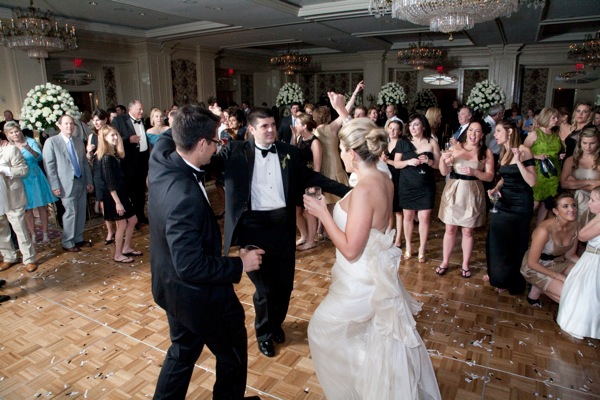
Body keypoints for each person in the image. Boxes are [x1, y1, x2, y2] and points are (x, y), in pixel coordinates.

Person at [303, 116, 441, 400]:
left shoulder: (365, 190)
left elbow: (351, 249)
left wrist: (323, 214)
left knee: (322, 329)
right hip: (373, 273)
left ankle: (371, 387)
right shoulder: (383, 179)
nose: (341, 156)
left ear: (352, 153)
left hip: (360, 280)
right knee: (368, 337)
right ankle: (380, 384)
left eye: (342, 150)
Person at [211, 105, 350, 358]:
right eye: (264, 126)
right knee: (265, 290)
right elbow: (204, 164)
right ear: (251, 129)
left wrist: (349, 191)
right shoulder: (235, 151)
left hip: (283, 228)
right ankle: (264, 333)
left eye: (273, 125)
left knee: (284, 286)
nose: (271, 130)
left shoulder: (289, 152)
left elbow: (312, 178)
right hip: (252, 229)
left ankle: (276, 324)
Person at [148, 105, 262, 399]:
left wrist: (202, 115)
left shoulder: (160, 157)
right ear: (201, 144)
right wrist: (240, 264)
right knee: (232, 354)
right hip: (198, 296)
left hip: (169, 289)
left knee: (183, 351)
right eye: (215, 141)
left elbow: (169, 134)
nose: (217, 147)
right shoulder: (183, 197)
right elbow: (190, 265)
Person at [437, 119, 494, 277]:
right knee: (450, 228)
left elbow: (490, 176)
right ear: (466, 132)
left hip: (472, 192)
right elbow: (443, 172)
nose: (473, 134)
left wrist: (475, 172)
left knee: (468, 231)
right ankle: (445, 261)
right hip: (454, 190)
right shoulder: (455, 147)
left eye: (477, 131)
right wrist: (442, 160)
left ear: (482, 134)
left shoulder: (486, 152)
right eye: (470, 130)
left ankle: (465, 264)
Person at [485, 121, 536, 294]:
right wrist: (496, 188)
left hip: (521, 204)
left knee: (516, 244)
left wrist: (519, 162)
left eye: (498, 131)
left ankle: (513, 280)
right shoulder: (504, 152)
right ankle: (499, 277)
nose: (495, 135)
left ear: (510, 131)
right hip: (504, 202)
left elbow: (532, 181)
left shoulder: (524, 150)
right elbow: (505, 178)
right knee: (497, 240)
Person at [390, 114, 440, 262]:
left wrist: (429, 161)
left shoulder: (432, 142)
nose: (412, 128)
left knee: (424, 217)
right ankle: (409, 246)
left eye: (416, 124)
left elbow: (439, 165)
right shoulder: (402, 142)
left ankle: (422, 249)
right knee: (408, 216)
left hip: (426, 185)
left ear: (423, 126)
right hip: (407, 185)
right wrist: (408, 162)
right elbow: (396, 163)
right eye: (410, 125)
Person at [43, 115, 94, 252]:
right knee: (70, 213)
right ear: (59, 126)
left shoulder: (78, 141)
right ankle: (68, 242)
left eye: (71, 123)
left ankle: (78, 238)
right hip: (65, 184)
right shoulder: (52, 142)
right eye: (66, 123)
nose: (69, 126)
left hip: (81, 181)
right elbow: (49, 166)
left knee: (81, 211)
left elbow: (84, 163)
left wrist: (89, 181)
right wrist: (54, 185)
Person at [520, 193, 579, 306]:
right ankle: (538, 286)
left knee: (586, 277)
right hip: (536, 267)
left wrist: (589, 266)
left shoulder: (575, 225)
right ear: (556, 211)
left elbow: (570, 255)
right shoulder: (544, 230)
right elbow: (532, 263)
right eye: (565, 206)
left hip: (558, 262)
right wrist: (559, 276)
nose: (571, 209)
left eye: (574, 205)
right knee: (570, 295)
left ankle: (538, 288)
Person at [557, 187, 600, 339]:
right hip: (591, 257)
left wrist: (597, 217)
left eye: (593, 200)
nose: (589, 203)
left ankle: (581, 326)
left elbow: (582, 236)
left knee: (587, 293)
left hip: (595, 261)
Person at [4, 122, 57, 244]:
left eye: (16, 131)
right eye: (11, 132)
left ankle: (45, 233)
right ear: (8, 135)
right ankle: (33, 234)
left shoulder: (30, 141)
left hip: (35, 176)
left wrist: (30, 149)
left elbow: (40, 157)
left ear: (20, 131)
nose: (15, 134)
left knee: (41, 206)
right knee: (27, 209)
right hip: (20, 179)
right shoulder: (8, 147)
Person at [97, 126, 140, 263]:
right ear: (104, 138)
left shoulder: (114, 155)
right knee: (121, 225)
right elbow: (110, 183)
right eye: (112, 135)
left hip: (120, 193)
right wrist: (118, 202)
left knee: (133, 220)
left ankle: (126, 248)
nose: (115, 137)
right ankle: (117, 254)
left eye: (116, 134)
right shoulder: (106, 158)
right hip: (113, 196)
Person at [0, 139, 37, 273]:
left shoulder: (10, 150)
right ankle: (9, 257)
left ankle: (29, 259)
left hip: (12, 196)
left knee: (20, 228)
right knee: (1, 229)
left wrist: (5, 170)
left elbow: (23, 170)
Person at [112, 100, 150, 225]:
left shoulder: (142, 120)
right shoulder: (119, 120)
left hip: (143, 160)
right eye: (139, 109)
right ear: (131, 109)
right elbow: (114, 138)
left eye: (142, 109)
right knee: (131, 192)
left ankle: (141, 216)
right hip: (129, 163)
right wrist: (128, 139)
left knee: (141, 190)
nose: (142, 111)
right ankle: (132, 218)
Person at [524, 107, 562, 226]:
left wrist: (559, 156)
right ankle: (523, 227)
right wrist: (536, 156)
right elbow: (523, 151)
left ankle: (538, 229)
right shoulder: (535, 134)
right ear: (546, 117)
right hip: (538, 173)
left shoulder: (555, 135)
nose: (556, 120)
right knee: (534, 203)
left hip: (553, 174)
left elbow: (554, 152)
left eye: (557, 117)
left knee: (546, 204)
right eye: (553, 117)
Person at [292, 113, 322, 251]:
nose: (295, 125)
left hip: (310, 181)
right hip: (298, 180)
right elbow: (295, 156)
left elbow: (317, 167)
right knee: (296, 211)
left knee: (309, 211)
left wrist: (313, 186)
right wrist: (294, 138)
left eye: (297, 123)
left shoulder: (315, 142)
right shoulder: (299, 138)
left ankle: (311, 240)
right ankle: (304, 236)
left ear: (304, 126)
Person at [560, 127, 600, 228]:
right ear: (579, 143)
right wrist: (591, 182)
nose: (588, 147)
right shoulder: (571, 160)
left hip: (595, 200)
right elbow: (564, 184)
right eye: (584, 143)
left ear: (598, 143)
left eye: (592, 143)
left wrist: (575, 183)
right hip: (573, 199)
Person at [87, 109, 115, 245]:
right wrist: (89, 152)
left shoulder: (112, 133)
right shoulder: (92, 136)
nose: (96, 123)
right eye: (94, 120)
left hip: (110, 169)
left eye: (98, 120)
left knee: (114, 200)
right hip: (98, 172)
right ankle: (110, 231)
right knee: (103, 203)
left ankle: (120, 226)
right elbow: (89, 158)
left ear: (105, 119)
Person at [381, 120, 404, 248]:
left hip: (398, 177)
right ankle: (389, 235)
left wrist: (387, 161)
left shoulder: (402, 144)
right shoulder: (386, 144)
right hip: (386, 177)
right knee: (389, 209)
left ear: (400, 131)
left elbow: (398, 163)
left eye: (395, 129)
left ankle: (398, 238)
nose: (392, 131)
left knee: (398, 211)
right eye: (390, 128)